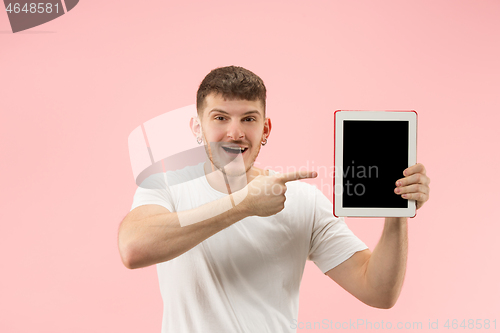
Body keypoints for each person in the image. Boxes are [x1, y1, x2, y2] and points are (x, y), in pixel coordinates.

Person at [118, 66, 431, 332]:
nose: (235, 133)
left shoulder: (303, 201)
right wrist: (243, 205)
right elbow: (134, 248)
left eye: (249, 119)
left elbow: (378, 291)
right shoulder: (166, 184)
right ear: (197, 128)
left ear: (266, 129)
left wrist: (398, 209)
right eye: (220, 118)